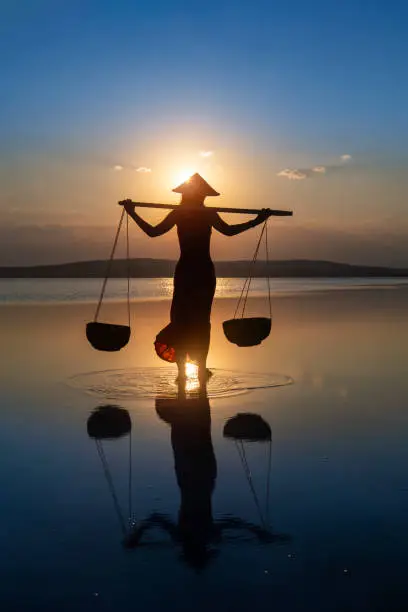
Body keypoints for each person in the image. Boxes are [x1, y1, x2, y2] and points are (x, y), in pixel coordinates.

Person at [122, 173, 271, 384]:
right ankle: (193, 371)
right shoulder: (193, 213)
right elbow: (228, 231)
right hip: (198, 272)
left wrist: (133, 214)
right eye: (200, 196)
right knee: (195, 321)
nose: (201, 199)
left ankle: (188, 372)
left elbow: (153, 232)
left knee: (187, 320)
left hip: (192, 272)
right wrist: (257, 221)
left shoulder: (185, 213)